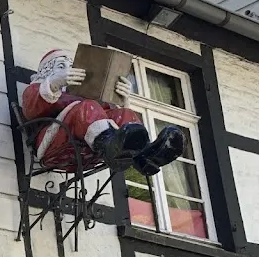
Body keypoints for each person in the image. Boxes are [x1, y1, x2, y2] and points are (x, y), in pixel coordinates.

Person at [21, 48, 184, 174]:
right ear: (46, 72)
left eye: (71, 66)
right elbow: (31, 109)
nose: (68, 70)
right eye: (61, 66)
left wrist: (122, 98)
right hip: (50, 145)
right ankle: (109, 144)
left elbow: (104, 114)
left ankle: (144, 155)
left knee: (123, 114)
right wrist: (54, 82)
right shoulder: (37, 89)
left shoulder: (80, 97)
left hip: (83, 146)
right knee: (88, 106)